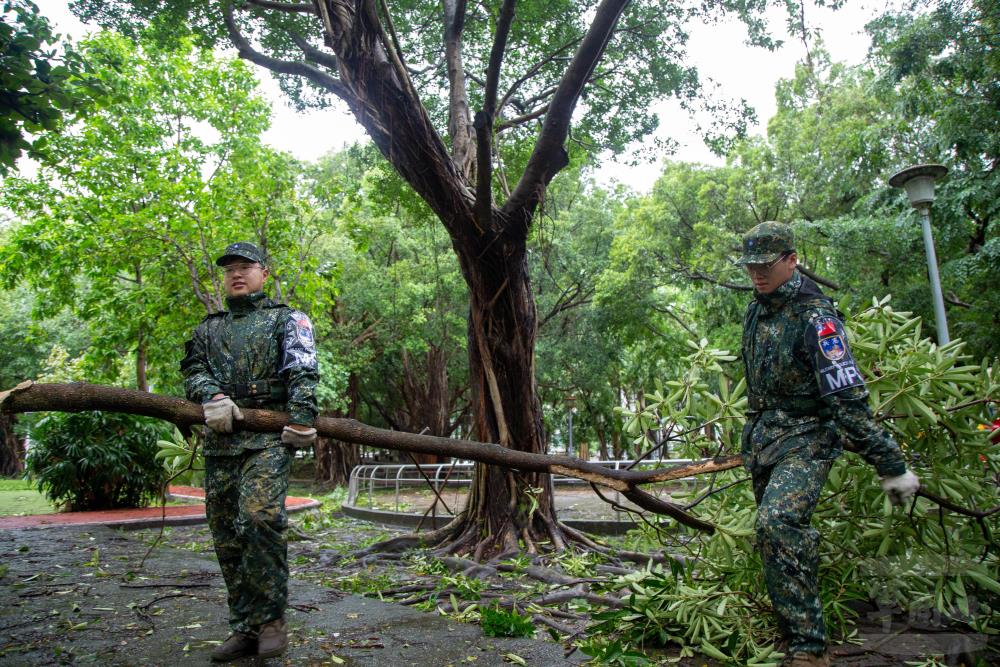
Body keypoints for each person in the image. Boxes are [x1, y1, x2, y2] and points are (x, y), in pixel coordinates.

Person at [736, 222, 920, 667]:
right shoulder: (756, 308)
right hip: (763, 439)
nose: (757, 274)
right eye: (750, 267)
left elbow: (847, 398)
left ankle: (809, 650)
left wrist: (890, 464)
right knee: (774, 539)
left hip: (808, 437)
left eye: (766, 265)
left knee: (778, 521)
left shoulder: (818, 319)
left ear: (792, 260)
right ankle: (793, 635)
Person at [181, 242, 319, 662]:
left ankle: (272, 620)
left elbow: (302, 365)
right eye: (229, 270)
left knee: (259, 519)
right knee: (226, 533)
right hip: (222, 442)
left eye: (245, 267)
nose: (236, 275)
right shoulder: (209, 328)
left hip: (268, 438)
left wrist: (300, 418)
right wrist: (213, 396)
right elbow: (193, 368)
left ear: (263, 273)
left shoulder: (286, 318)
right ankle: (245, 627)